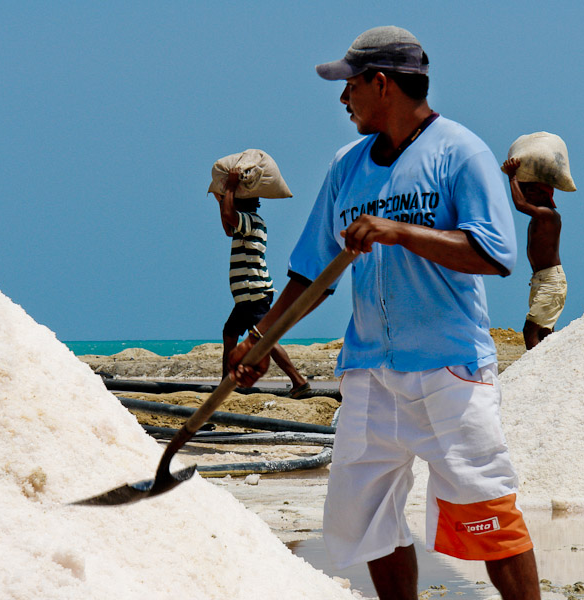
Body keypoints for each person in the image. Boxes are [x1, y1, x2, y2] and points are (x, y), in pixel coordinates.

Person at [228, 26, 541, 600]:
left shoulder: (459, 152)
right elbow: (310, 273)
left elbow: (495, 255)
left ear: (381, 83)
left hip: (449, 371)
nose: (342, 99)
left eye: (349, 85)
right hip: (369, 371)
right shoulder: (347, 165)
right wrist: (261, 342)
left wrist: (398, 231)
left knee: (486, 513)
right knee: (365, 521)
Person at [214, 168, 311, 399]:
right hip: (246, 296)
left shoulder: (251, 221)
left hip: (253, 292)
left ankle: (298, 381)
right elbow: (228, 227)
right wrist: (222, 199)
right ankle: (226, 382)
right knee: (230, 333)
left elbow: (230, 217)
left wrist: (229, 187)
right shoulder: (244, 223)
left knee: (264, 339)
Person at [501, 157, 566, 350]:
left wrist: (512, 177)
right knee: (545, 333)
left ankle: (533, 373)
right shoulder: (540, 214)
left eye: (531, 191)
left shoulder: (549, 215)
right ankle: (548, 372)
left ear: (542, 195)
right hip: (540, 280)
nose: (527, 195)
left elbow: (520, 205)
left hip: (551, 282)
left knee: (531, 330)